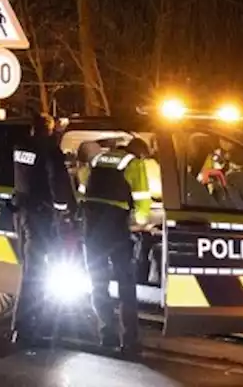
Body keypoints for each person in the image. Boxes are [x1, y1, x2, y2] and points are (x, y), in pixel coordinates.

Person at [80, 136, 153, 357]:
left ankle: (107, 335)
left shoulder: (97, 159)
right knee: (125, 284)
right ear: (139, 153)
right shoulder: (134, 163)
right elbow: (142, 200)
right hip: (116, 226)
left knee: (98, 282)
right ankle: (129, 341)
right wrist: (141, 222)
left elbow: (82, 190)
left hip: (91, 225)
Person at [10, 111, 76, 347]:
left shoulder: (20, 146)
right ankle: (28, 328)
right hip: (42, 217)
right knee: (41, 273)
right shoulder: (49, 151)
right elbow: (59, 184)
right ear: (48, 129)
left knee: (32, 271)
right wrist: (67, 211)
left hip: (23, 214)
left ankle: (32, 325)